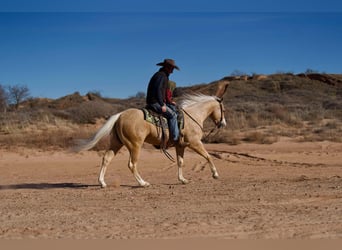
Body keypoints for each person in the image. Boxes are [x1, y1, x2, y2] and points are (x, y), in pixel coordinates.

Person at [146, 59, 186, 146]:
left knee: (175, 110)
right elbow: (158, 90)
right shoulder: (161, 76)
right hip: (155, 102)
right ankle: (175, 139)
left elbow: (163, 92)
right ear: (166, 67)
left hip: (156, 100)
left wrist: (169, 102)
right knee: (172, 115)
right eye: (171, 68)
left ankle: (172, 132)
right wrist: (162, 104)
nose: (172, 70)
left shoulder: (162, 75)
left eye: (173, 68)